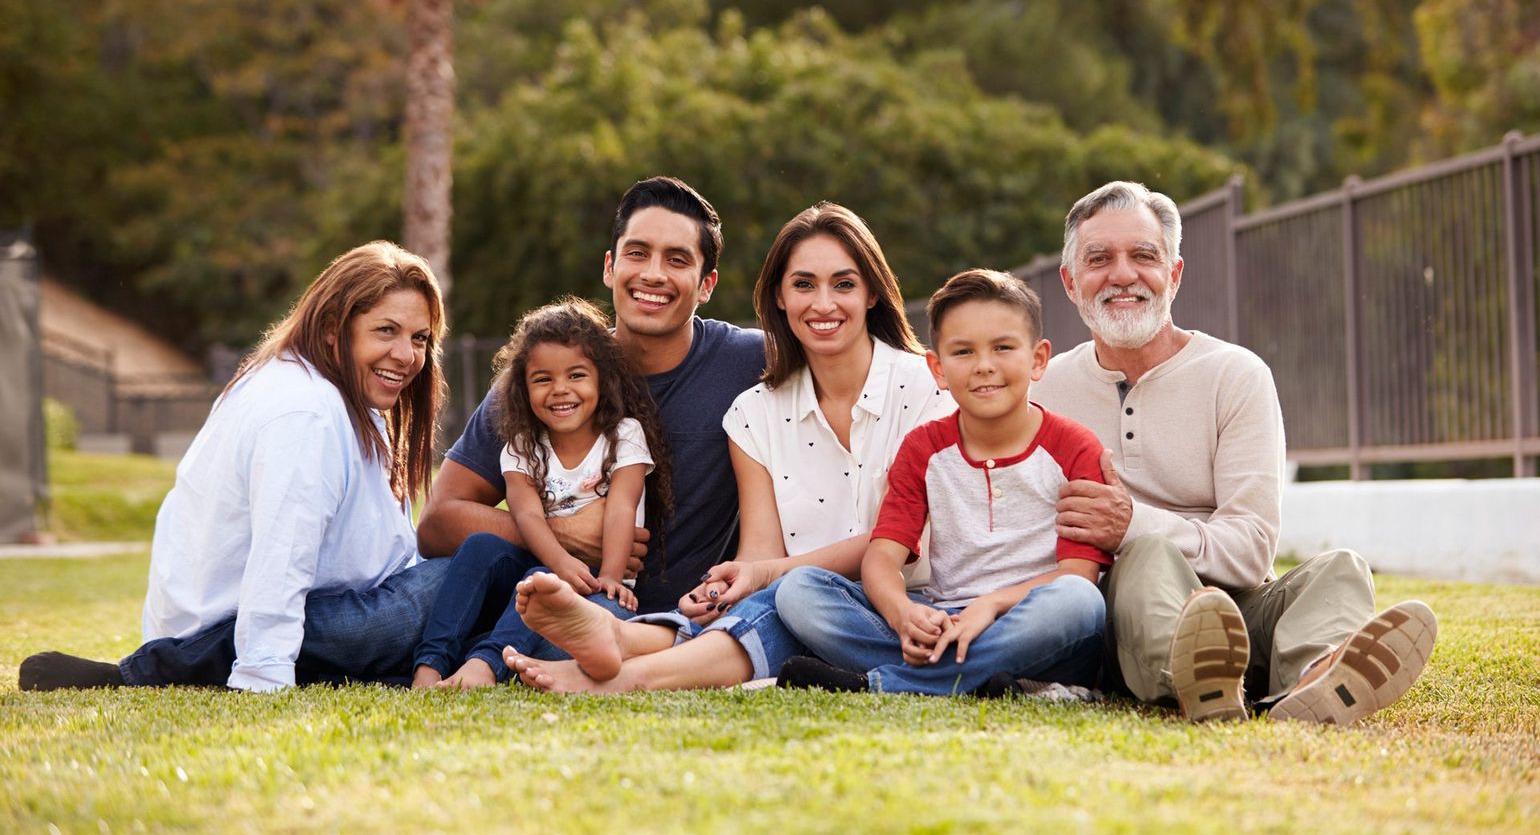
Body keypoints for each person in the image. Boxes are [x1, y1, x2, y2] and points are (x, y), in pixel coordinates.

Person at [503, 201, 954, 692]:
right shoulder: (754, 412)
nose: (823, 304)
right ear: (779, 297)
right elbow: (759, 550)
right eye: (803, 285)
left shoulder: (929, 388)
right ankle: (621, 644)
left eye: (843, 284)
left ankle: (625, 661)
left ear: (871, 294)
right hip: (799, 604)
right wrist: (731, 583)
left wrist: (767, 574)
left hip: (918, 602)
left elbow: (907, 538)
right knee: (779, 602)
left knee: (794, 597)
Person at [1034, 180, 1437, 724]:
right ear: (1070, 282)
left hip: (1240, 610)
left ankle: (1315, 681)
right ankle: (1194, 677)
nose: (1123, 275)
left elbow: (1250, 550)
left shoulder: (1235, 375)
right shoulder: (1042, 389)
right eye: (1100, 258)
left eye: (1144, 256)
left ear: (1174, 273)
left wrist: (1133, 521)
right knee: (1149, 557)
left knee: (1341, 569)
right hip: (1123, 623)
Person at [20, 242, 452, 692]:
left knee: (466, 584)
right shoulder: (305, 410)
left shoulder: (335, 397)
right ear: (332, 329)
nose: (407, 356)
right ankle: (172, 667)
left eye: (419, 338)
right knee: (465, 572)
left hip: (278, 619)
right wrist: (263, 671)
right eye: (386, 331)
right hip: (230, 629)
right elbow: (283, 552)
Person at [408, 176, 765, 683]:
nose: (654, 274)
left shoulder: (748, 361)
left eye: (678, 260)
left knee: (577, 615)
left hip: (627, 611)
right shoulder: (548, 375)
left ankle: (482, 663)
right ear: (610, 266)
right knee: (385, 619)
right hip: (507, 581)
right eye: (637, 253)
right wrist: (560, 534)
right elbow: (437, 522)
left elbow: (846, 345)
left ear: (707, 285)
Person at [771, 269, 1112, 695]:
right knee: (799, 589)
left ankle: (888, 683)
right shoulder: (924, 448)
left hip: (1032, 624)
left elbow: (1078, 575)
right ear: (938, 368)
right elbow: (881, 558)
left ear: (1038, 358)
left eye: (1003, 348)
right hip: (942, 619)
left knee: (1079, 602)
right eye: (963, 352)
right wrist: (902, 615)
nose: (984, 366)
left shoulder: (1075, 447)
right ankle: (980, 680)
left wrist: (989, 606)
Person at [410, 298, 671, 688]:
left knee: (541, 579)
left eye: (577, 375)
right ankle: (429, 666)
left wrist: (614, 575)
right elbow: (527, 515)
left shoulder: (623, 436)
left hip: (598, 581)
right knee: (481, 547)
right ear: (522, 388)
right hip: (543, 560)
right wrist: (561, 562)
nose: (560, 390)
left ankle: (485, 665)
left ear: (602, 378)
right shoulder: (522, 445)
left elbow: (621, 508)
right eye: (543, 379)